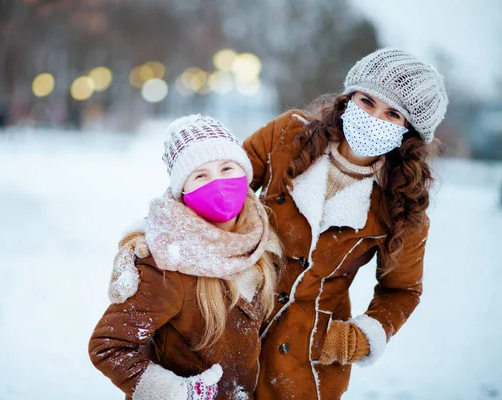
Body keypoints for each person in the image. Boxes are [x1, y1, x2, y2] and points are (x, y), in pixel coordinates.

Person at [241, 47, 448, 399]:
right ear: (349, 96)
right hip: (231, 318)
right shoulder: (286, 136)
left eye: (393, 113)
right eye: (367, 101)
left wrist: (359, 337)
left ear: (408, 130)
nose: (374, 117)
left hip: (306, 358)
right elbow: (221, 188)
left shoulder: (403, 205)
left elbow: (402, 291)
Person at [89, 115, 283, 400]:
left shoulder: (263, 248)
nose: (218, 182)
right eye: (200, 175)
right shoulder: (167, 262)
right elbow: (108, 345)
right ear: (184, 192)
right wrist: (178, 393)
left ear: (244, 175)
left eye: (227, 168)